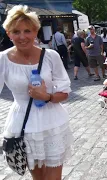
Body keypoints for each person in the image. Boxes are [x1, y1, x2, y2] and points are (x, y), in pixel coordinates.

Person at [0, 5, 73, 179]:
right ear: (8, 33)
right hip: (23, 127)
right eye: (16, 31)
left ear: (36, 32)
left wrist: (46, 96)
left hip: (53, 123)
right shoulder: (3, 59)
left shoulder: (51, 56)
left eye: (27, 31)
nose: (22, 36)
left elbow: (65, 92)